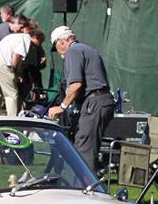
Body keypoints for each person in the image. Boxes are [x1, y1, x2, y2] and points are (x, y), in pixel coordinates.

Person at [47, 26, 115, 172]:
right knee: (85, 145)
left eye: (55, 47)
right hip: (101, 101)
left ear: (61, 41)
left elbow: (76, 84)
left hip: (94, 102)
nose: (57, 52)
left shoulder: (73, 51)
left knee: (85, 150)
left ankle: (87, 189)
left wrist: (62, 107)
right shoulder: (86, 49)